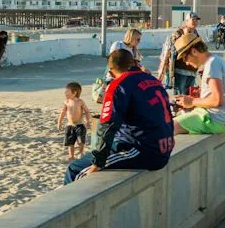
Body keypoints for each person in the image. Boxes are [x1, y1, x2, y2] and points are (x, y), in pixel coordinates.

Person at [64, 49, 175, 184]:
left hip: (144, 150)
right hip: (165, 146)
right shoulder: (152, 80)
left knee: (75, 169)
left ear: (110, 72)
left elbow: (107, 124)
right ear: (133, 63)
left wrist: (98, 163)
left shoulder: (118, 85)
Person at [171, 34, 225, 134]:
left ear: (194, 51)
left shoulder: (212, 65)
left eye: (185, 58)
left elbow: (217, 100)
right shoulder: (215, 61)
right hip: (216, 118)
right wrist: (190, 100)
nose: (186, 63)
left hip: (215, 121)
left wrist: (192, 102)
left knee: (169, 128)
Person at [158, 14, 201, 94]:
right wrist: (185, 36)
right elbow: (175, 48)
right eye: (193, 19)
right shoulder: (179, 32)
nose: (195, 22)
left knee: (190, 95)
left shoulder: (196, 34)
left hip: (192, 70)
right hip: (181, 69)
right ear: (187, 21)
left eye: (197, 20)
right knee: (179, 95)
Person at [57, 82, 91, 160]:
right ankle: (71, 156)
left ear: (74, 92)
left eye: (67, 91)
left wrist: (88, 121)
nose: (65, 93)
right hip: (70, 125)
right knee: (70, 143)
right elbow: (62, 113)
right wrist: (59, 122)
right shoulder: (66, 102)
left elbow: (87, 111)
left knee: (80, 141)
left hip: (80, 124)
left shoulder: (80, 102)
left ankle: (81, 153)